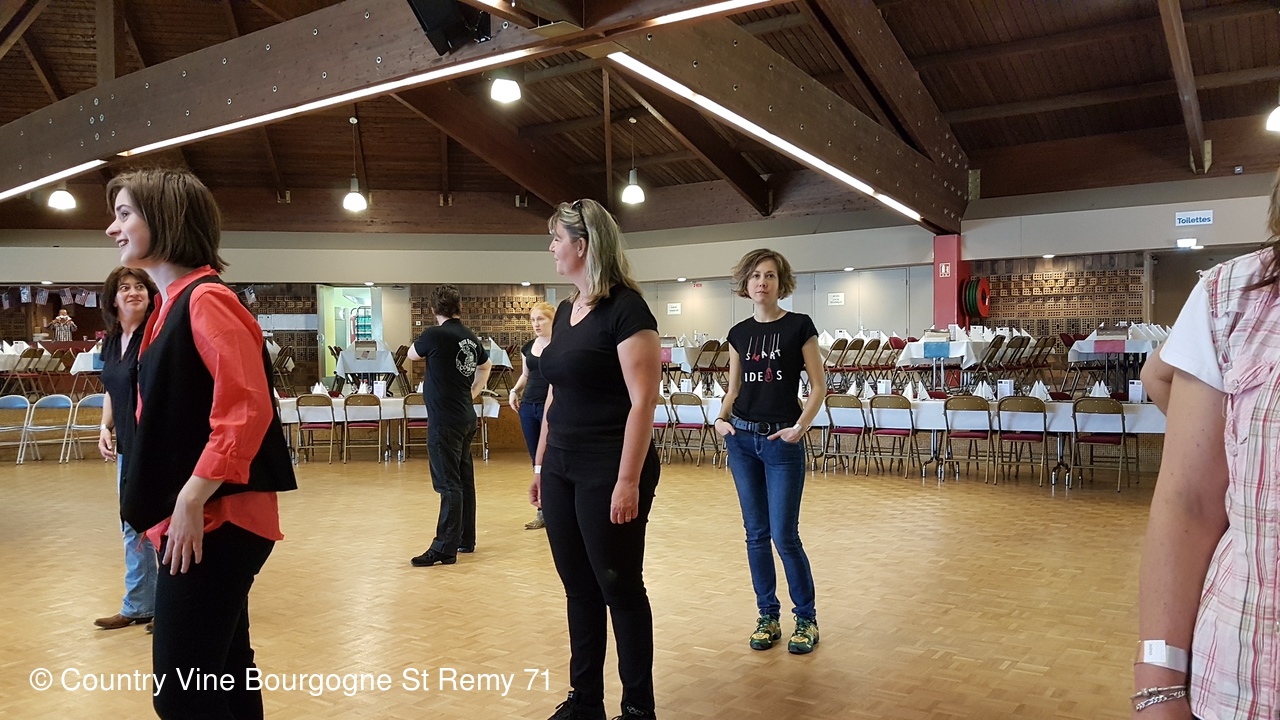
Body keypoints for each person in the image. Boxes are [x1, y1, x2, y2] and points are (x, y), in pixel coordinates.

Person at [106, 168, 297, 720]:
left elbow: (246, 408)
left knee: (181, 693)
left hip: (218, 519)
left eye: (124, 214)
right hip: (202, 517)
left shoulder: (206, 300)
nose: (112, 229)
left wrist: (191, 497)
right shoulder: (171, 305)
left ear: (164, 218)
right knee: (225, 672)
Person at [1132, 167, 1280, 719]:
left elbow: (1153, 377)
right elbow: (1188, 500)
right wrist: (1158, 683)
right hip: (1245, 681)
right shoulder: (1233, 297)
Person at [531, 199, 662, 720]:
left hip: (610, 467)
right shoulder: (566, 311)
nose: (551, 248)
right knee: (578, 588)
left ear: (582, 246)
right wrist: (541, 465)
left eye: (557, 239)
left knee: (619, 586)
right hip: (561, 466)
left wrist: (628, 481)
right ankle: (585, 701)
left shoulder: (628, 310)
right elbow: (554, 394)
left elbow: (643, 401)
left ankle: (638, 708)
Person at [713, 248, 825, 655]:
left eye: (770, 275)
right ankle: (767, 616)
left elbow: (819, 386)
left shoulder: (799, 326)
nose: (763, 282)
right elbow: (734, 389)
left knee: (784, 535)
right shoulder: (738, 333)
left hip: (782, 442)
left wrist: (800, 427)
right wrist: (719, 419)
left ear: (782, 283)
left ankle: (806, 619)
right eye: (756, 275)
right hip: (742, 440)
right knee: (756, 534)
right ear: (746, 284)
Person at [93, 266, 161, 632]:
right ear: (113, 299)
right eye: (124, 287)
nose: (133, 292)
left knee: (161, 526)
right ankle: (139, 604)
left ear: (150, 296)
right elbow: (111, 388)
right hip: (127, 447)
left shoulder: (155, 335)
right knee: (131, 525)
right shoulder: (112, 340)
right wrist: (105, 426)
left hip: (154, 445)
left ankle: (171, 609)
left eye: (139, 287)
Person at [408, 285, 492, 567]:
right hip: (465, 416)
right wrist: (474, 392)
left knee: (448, 483)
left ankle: (444, 546)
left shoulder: (434, 334)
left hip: (444, 420)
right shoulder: (469, 336)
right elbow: (486, 365)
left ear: (433, 309)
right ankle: (465, 538)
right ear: (460, 307)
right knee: (463, 480)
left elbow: (412, 354)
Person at [510, 301, 556, 531]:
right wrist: (514, 390)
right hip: (529, 406)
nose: (536, 324)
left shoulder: (560, 345)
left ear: (552, 320)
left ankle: (556, 507)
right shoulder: (529, 347)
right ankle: (542, 509)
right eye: (533, 320)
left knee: (551, 456)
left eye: (541, 319)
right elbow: (526, 374)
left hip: (553, 407)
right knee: (535, 459)